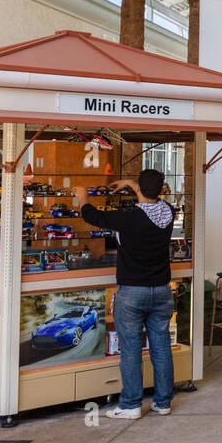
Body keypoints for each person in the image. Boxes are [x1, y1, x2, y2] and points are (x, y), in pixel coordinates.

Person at [76, 169, 176, 419]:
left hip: (132, 292)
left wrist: (82, 198)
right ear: (162, 191)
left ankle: (131, 405)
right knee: (161, 348)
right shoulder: (168, 212)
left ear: (139, 190)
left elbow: (92, 216)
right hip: (162, 291)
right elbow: (151, 198)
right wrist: (133, 184)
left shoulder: (128, 216)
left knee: (131, 349)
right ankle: (163, 402)